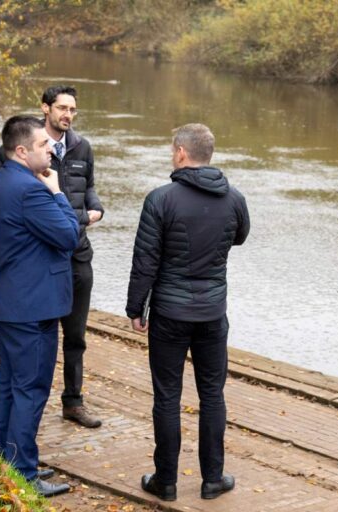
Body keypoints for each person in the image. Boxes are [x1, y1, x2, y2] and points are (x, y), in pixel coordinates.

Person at [126, 123, 250, 501]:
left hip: (170, 314)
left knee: (167, 397)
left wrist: (136, 307)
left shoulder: (161, 199)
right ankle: (213, 479)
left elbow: (145, 260)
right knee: (212, 394)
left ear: (181, 153)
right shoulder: (234, 197)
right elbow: (241, 236)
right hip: (213, 313)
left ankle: (166, 481)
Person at [0, 86, 104, 428]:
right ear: (45, 109)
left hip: (76, 257)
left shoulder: (81, 147)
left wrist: (96, 207)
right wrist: (16, 234)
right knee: (30, 367)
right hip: (39, 262)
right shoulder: (22, 147)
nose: (68, 115)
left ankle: (73, 401)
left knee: (75, 335)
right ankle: (23, 452)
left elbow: (87, 186)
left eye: (73, 109)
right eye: (62, 108)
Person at [0, 115, 78, 497]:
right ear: (21, 151)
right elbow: (69, 235)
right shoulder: (31, 191)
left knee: (9, 384)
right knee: (31, 388)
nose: (52, 147)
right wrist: (57, 192)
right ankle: (22, 471)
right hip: (32, 307)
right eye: (43, 144)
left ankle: (6, 459)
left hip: (8, 300)